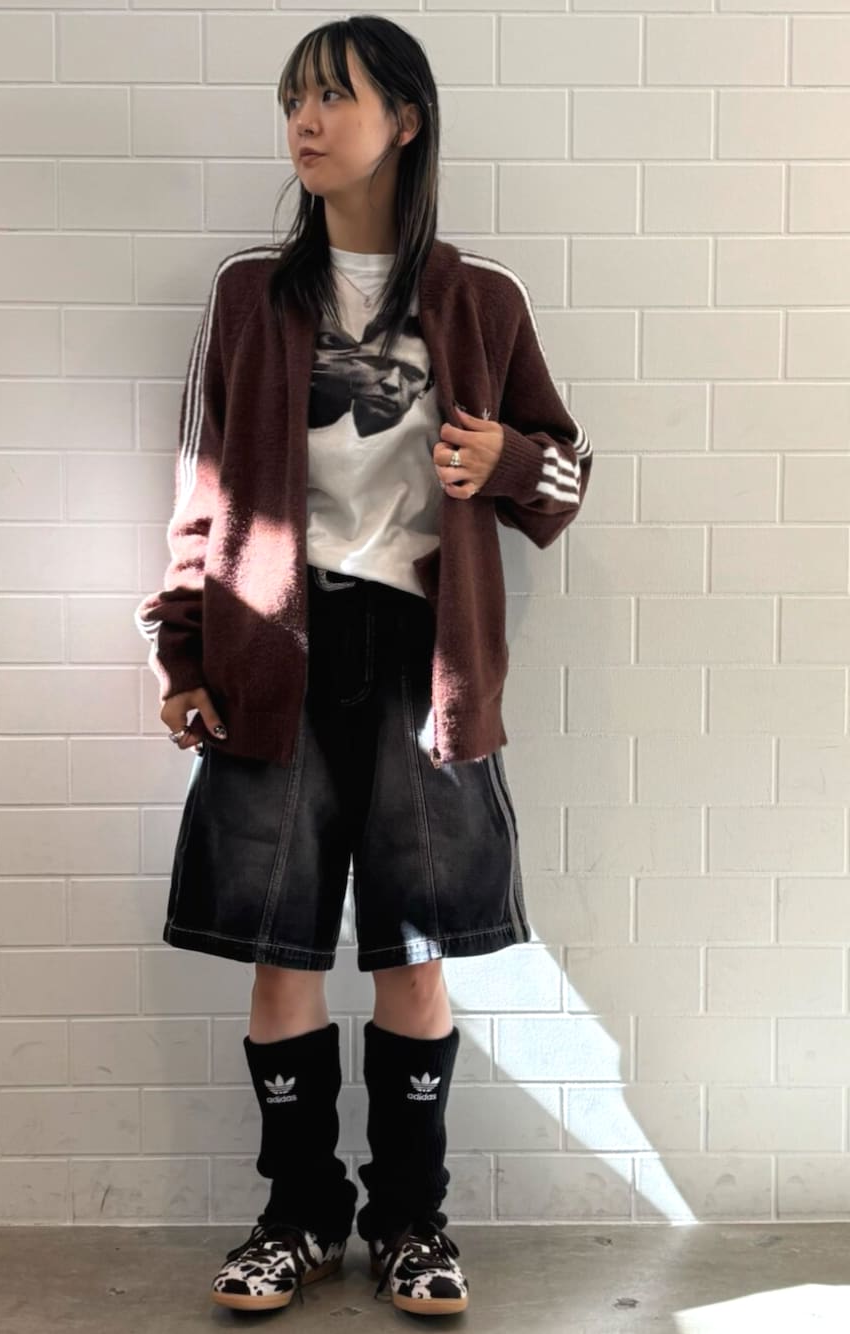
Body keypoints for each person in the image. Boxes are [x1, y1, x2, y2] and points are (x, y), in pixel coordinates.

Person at [134, 14, 593, 1317]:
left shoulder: (480, 301)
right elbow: (202, 490)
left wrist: (504, 459)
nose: (306, 121)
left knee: (413, 950)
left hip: (418, 661)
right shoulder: (249, 295)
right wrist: (180, 650)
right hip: (270, 649)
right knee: (281, 951)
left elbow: (566, 481)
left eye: (334, 96)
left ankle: (409, 1223)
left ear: (405, 120)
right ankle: (297, 1218)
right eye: (295, 98)